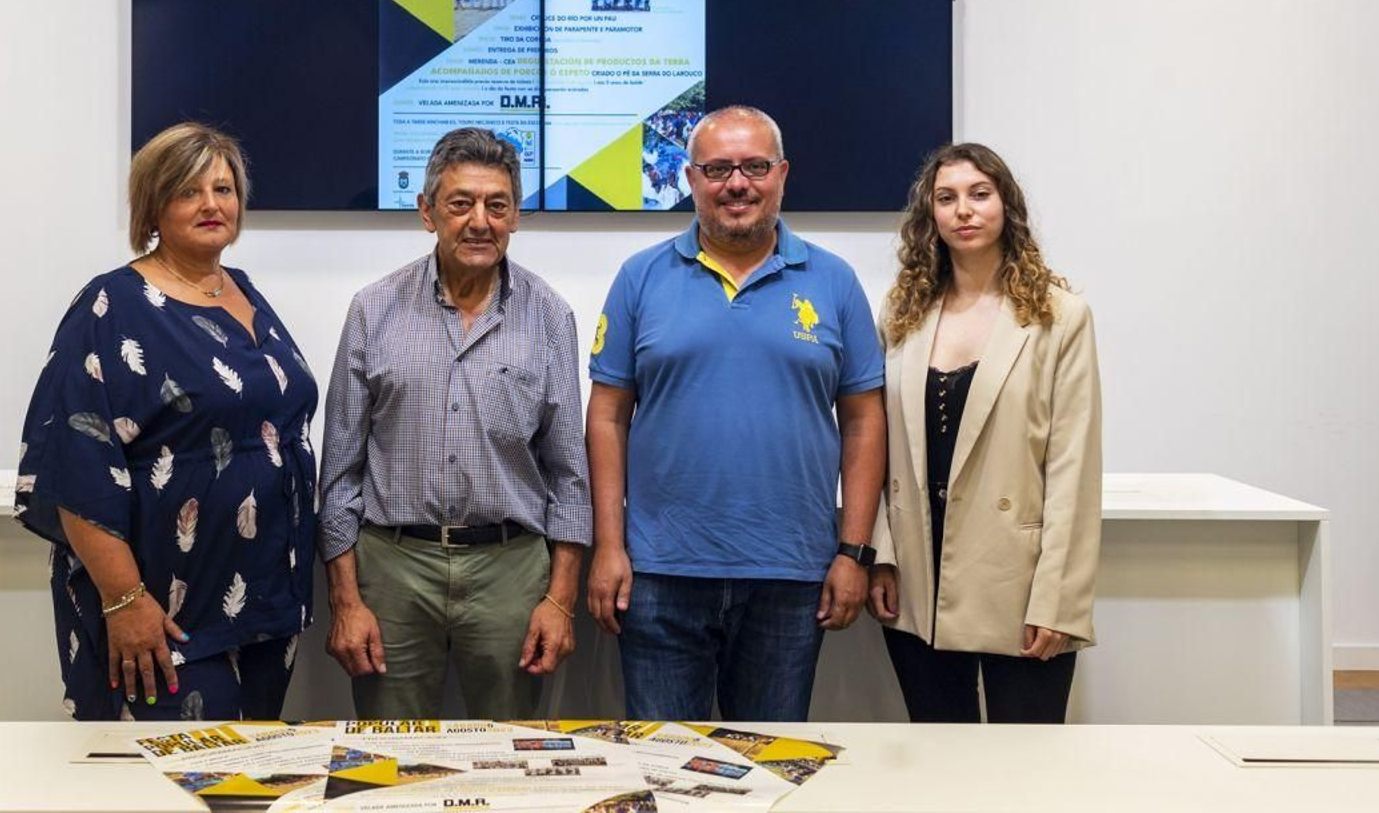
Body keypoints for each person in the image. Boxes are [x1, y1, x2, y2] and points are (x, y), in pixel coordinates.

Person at [586, 105, 887, 721]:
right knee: (665, 771)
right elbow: (607, 415)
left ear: (782, 174)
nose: (737, 183)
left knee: (771, 773)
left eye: (754, 166)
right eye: (717, 168)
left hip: (792, 574)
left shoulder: (834, 281)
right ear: (691, 179)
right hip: (659, 575)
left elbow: (864, 420)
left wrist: (853, 552)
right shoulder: (640, 278)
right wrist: (609, 546)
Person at [14, 122, 319, 721]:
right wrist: (125, 600)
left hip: (263, 605)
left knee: (245, 785)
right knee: (162, 789)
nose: (212, 204)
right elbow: (75, 466)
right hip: (166, 615)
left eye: (224, 189)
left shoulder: (244, 292)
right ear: (153, 206)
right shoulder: (111, 305)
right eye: (189, 191)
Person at [317, 127, 590, 718]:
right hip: (393, 569)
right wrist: (346, 600)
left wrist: (561, 600)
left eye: (497, 205)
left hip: (511, 570)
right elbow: (339, 471)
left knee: (511, 757)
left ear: (516, 215)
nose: (479, 221)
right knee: (389, 758)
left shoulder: (549, 316)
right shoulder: (374, 309)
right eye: (460, 203)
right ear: (427, 212)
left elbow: (569, 474)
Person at [866, 142, 1103, 724]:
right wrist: (882, 556)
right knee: (939, 761)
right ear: (930, 216)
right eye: (946, 198)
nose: (963, 211)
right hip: (917, 582)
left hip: (1019, 585)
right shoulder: (902, 313)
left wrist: (1060, 601)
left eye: (979, 194)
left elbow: (1073, 466)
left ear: (1006, 206)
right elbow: (876, 445)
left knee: (1023, 773)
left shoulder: (1058, 316)